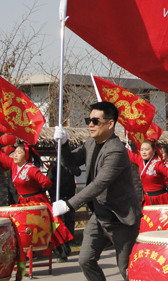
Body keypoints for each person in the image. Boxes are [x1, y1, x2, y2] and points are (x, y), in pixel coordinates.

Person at [52, 101, 142, 281]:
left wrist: (69, 205)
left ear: (110, 124)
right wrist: (62, 144)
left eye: (95, 121)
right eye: (88, 120)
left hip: (121, 218)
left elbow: (99, 184)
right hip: (100, 215)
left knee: (126, 270)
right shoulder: (90, 143)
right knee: (85, 260)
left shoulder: (116, 151)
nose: (90, 124)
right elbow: (71, 162)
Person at [0, 137, 74, 253]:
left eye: (19, 153)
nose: (15, 155)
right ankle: (29, 252)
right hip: (23, 203)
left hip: (37, 201)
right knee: (25, 229)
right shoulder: (14, 165)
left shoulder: (31, 169)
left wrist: (39, 190)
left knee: (47, 227)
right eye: (14, 152)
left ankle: (61, 251)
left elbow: (47, 182)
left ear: (25, 156)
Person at [127, 140, 168, 205]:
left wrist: (167, 189)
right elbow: (129, 154)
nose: (144, 152)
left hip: (161, 199)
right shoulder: (140, 160)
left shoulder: (157, 164)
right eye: (142, 150)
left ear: (154, 151)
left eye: (147, 149)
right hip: (148, 199)